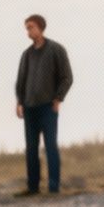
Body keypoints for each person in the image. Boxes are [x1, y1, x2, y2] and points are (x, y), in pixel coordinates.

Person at [14, 14, 73, 195]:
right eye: (26, 28)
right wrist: (19, 102)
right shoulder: (26, 54)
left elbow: (67, 78)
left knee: (50, 147)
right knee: (31, 149)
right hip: (29, 108)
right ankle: (33, 188)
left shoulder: (56, 49)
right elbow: (20, 81)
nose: (28, 31)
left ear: (40, 27)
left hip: (48, 107)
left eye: (30, 27)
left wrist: (58, 99)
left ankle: (53, 188)